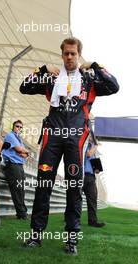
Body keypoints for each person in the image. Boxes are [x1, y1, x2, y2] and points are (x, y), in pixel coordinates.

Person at [19, 37, 119, 255]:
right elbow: (24, 87)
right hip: (52, 136)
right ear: (62, 55)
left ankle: (71, 239)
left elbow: (114, 86)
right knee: (43, 185)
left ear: (79, 55)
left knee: (74, 189)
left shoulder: (90, 79)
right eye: (66, 53)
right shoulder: (52, 77)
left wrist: (94, 65)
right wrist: (43, 68)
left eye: (74, 53)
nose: (70, 57)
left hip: (77, 137)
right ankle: (36, 235)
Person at [2, 120, 29, 220]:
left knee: (21, 190)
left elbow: (25, 155)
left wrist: (25, 152)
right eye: (17, 126)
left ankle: (22, 213)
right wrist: (23, 151)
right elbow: (19, 150)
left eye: (21, 127)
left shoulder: (19, 139)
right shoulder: (10, 136)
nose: (19, 128)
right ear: (13, 126)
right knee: (17, 190)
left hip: (19, 165)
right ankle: (22, 214)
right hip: (12, 165)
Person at [83, 134, 105, 227]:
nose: (94, 139)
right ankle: (69, 219)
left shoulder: (94, 149)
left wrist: (97, 168)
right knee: (74, 197)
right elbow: (88, 154)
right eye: (92, 137)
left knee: (92, 198)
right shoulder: (84, 145)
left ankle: (92, 221)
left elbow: (95, 166)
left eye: (95, 137)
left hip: (91, 176)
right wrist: (95, 145)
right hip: (81, 175)